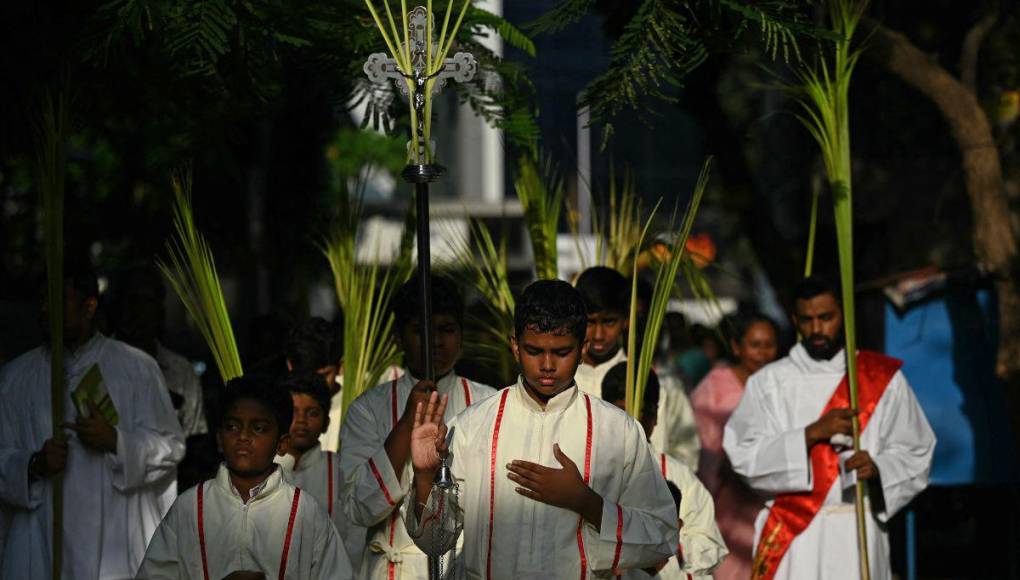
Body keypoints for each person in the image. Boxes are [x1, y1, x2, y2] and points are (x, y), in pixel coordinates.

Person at [405, 279, 679, 579]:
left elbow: (662, 534)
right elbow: (435, 542)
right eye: (534, 351)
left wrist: (586, 502)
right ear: (515, 346)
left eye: (561, 352)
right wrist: (423, 476)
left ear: (583, 347)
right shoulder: (473, 425)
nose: (547, 365)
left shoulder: (618, 430)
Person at [723, 276, 936, 580]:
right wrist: (809, 435)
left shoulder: (881, 379)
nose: (817, 329)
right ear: (795, 320)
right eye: (807, 320)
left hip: (858, 528)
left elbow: (917, 449)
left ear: (844, 315)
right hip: (796, 539)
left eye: (826, 318)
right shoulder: (769, 383)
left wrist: (879, 468)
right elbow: (743, 453)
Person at [0, 263, 185, 579]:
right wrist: (34, 464)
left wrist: (117, 442)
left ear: (89, 306)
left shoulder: (136, 368)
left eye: (58, 301)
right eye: (42, 300)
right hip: (41, 539)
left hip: (116, 538)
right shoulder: (15, 378)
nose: (46, 310)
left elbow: (170, 446)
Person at [339, 275, 496, 579]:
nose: (435, 341)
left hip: (464, 565)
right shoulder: (369, 409)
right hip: (391, 568)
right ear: (399, 337)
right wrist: (407, 421)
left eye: (446, 330)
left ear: (461, 335)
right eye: (421, 330)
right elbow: (358, 508)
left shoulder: (487, 404)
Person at [137, 374, 352, 579]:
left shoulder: (306, 512)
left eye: (258, 428)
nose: (243, 436)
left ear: (281, 444)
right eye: (233, 427)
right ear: (220, 439)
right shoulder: (190, 508)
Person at [601, 363, 727, 580]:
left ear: (655, 416)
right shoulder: (590, 469)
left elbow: (709, 546)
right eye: (620, 415)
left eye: (640, 414)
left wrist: (667, 548)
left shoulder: (679, 477)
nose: (630, 425)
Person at [573, 266, 700, 468]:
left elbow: (682, 450)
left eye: (609, 322)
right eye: (590, 322)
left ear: (626, 320)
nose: (598, 334)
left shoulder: (649, 381)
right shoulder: (559, 379)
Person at [690, 312, 779, 580]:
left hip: (771, 505)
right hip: (726, 505)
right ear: (737, 346)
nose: (763, 354)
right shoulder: (713, 389)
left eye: (769, 345)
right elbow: (700, 450)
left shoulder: (780, 385)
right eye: (755, 345)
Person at [276, 374, 363, 569]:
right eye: (293, 412)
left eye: (312, 413)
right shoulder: (262, 471)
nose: (301, 421)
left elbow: (355, 538)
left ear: (326, 423)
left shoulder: (342, 469)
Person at [113, 264, 208, 440]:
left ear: (160, 309)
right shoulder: (94, 365)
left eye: (146, 301)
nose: (137, 310)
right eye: (131, 300)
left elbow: (195, 441)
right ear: (117, 306)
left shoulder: (182, 373)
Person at [284, 317, 342, 451]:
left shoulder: (359, 403)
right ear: (290, 365)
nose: (315, 384)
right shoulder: (270, 410)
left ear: (340, 367)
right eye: (308, 374)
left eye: (324, 375)